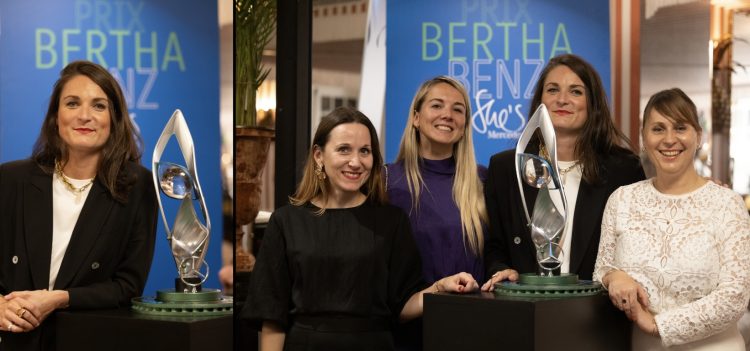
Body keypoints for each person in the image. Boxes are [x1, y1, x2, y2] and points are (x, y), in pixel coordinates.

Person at [242, 107, 478, 350]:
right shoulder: (285, 221)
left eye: (365, 151)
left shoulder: (392, 221)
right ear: (319, 155)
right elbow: (272, 317)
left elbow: (402, 307)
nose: (355, 162)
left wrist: (440, 287)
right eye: (344, 149)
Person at [0, 60, 158, 350]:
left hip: (86, 337)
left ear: (115, 118)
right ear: (55, 117)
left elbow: (127, 287)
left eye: (99, 106)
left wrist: (60, 298)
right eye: (72, 103)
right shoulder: (10, 180)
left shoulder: (138, 185)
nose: (85, 116)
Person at [593, 88, 750, 350]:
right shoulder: (621, 199)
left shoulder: (727, 204)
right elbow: (602, 269)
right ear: (643, 138)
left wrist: (659, 325)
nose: (669, 139)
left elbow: (736, 296)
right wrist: (614, 276)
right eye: (658, 129)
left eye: (680, 127)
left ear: (698, 136)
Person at [482, 54, 645, 291]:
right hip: (524, 310)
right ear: (540, 101)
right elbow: (492, 244)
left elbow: (640, 244)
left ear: (593, 103)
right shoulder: (505, 167)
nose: (562, 100)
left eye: (576, 92)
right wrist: (500, 269)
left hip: (597, 313)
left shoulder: (624, 169)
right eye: (552, 90)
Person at [386, 76, 487, 350]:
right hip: (407, 331)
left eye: (458, 109)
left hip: (474, 330)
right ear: (416, 117)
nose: (447, 115)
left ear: (465, 125)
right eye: (437, 105)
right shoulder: (385, 182)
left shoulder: (484, 182)